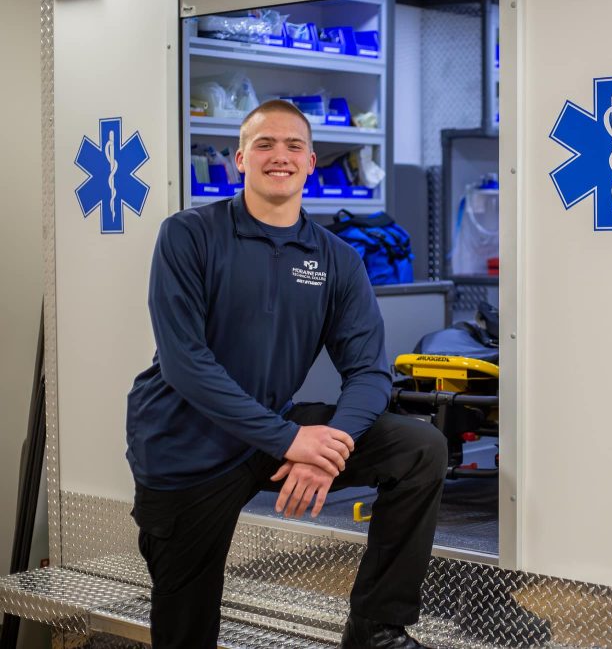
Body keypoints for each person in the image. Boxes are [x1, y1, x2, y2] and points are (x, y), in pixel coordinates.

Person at [126, 99, 446, 649]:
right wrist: (292, 440)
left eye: (294, 145)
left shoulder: (336, 259)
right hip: (185, 448)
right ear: (240, 160)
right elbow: (186, 364)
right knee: (184, 631)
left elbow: (369, 371)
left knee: (419, 448)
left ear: (311, 161)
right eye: (265, 144)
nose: (281, 155)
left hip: (269, 435)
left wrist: (331, 447)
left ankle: (376, 629)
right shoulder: (189, 235)